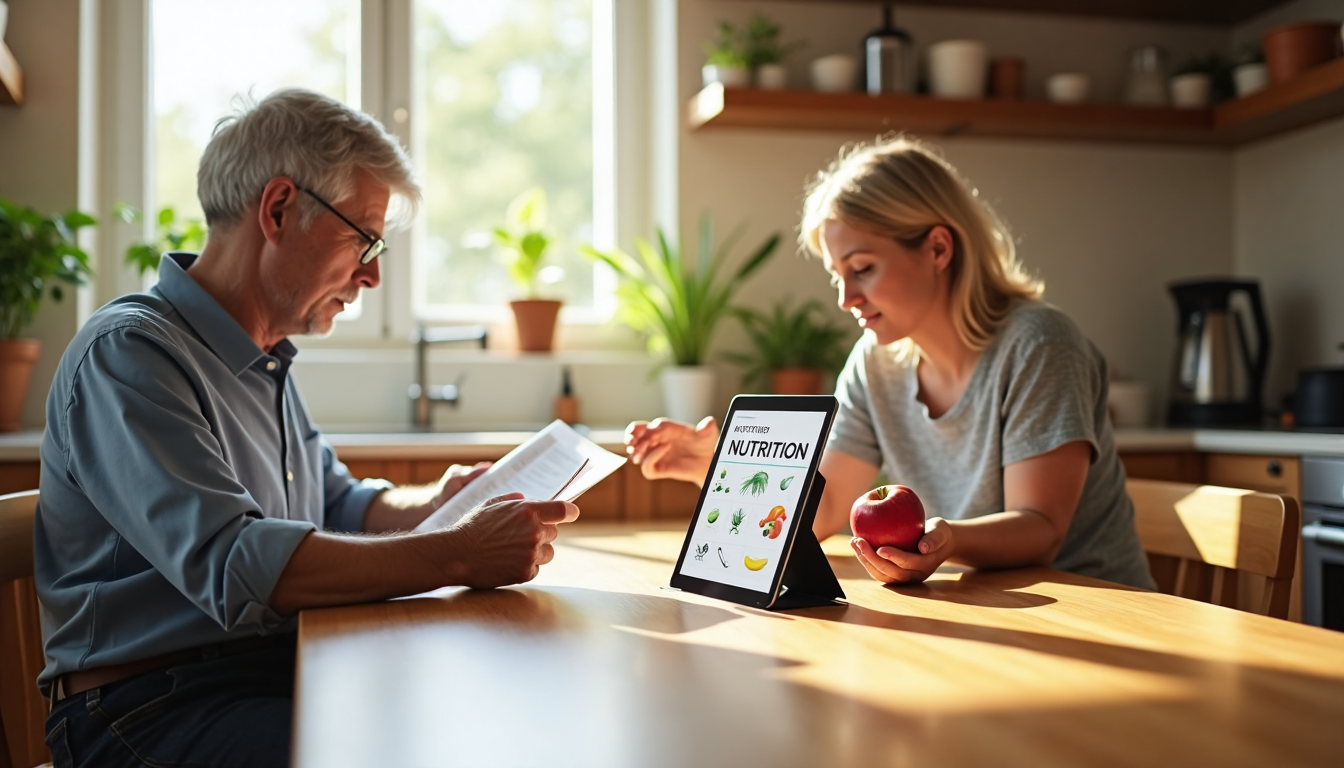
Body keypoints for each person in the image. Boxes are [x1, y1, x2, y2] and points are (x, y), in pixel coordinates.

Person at [35, 88, 578, 768]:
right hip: (146, 709)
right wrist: (457, 552)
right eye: (364, 238)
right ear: (280, 208)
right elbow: (238, 564)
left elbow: (340, 505)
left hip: (261, 671)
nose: (373, 275)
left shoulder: (261, 358)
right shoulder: (128, 355)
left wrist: (437, 506)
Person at [625, 137, 1154, 591]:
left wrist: (947, 539)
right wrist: (724, 471)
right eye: (837, 275)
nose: (845, 297)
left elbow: (1041, 529)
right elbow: (824, 514)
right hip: (981, 608)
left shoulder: (1040, 345)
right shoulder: (875, 364)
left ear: (938, 249)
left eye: (863, 269)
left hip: (1097, 609)